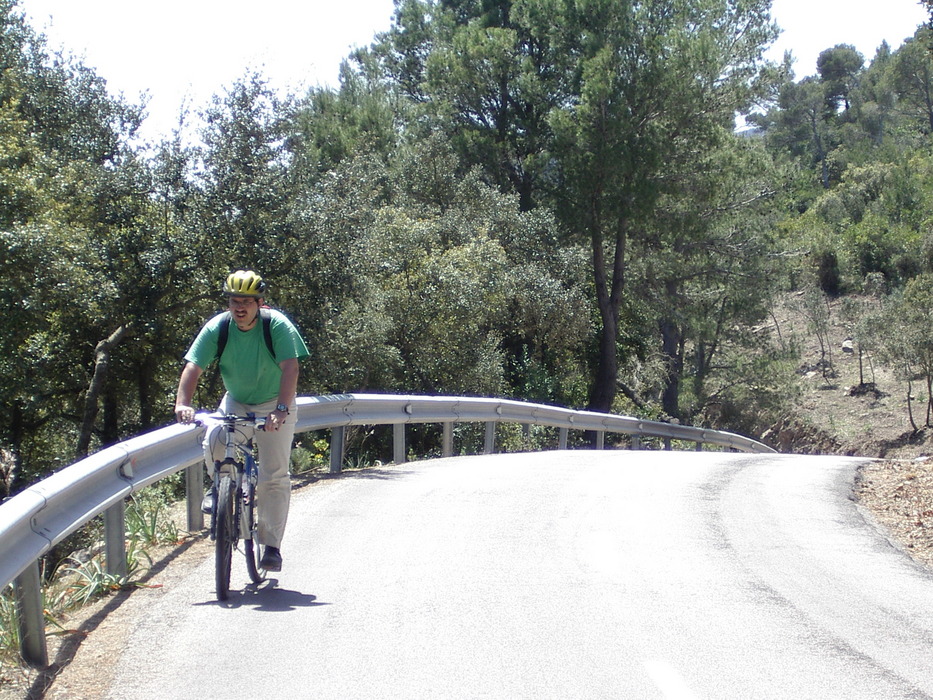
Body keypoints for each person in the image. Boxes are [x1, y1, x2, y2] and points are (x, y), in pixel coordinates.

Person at [174, 270, 309, 572]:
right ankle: (219, 485)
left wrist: (281, 409)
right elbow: (193, 367)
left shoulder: (276, 326)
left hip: (275, 403)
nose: (239, 307)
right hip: (236, 399)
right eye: (235, 301)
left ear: (260, 303)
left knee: (274, 475)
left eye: (247, 301)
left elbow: (291, 368)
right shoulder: (218, 328)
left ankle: (271, 546)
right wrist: (183, 404)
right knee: (215, 438)